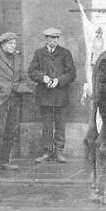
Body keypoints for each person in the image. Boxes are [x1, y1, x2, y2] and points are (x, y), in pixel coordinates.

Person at [0, 32, 32, 175]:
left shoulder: (17, 59)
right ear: (2, 45)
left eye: (14, 43)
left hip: (14, 100)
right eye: (10, 43)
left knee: (10, 131)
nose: (13, 46)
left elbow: (22, 77)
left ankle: (4, 161)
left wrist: (22, 87)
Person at [28, 28, 76, 163]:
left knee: (60, 124)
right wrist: (43, 78)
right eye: (51, 38)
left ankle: (59, 151)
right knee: (47, 125)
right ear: (46, 39)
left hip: (61, 95)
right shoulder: (39, 54)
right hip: (45, 95)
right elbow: (31, 71)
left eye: (56, 38)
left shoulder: (65, 53)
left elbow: (72, 74)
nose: (53, 41)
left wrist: (58, 81)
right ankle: (47, 152)